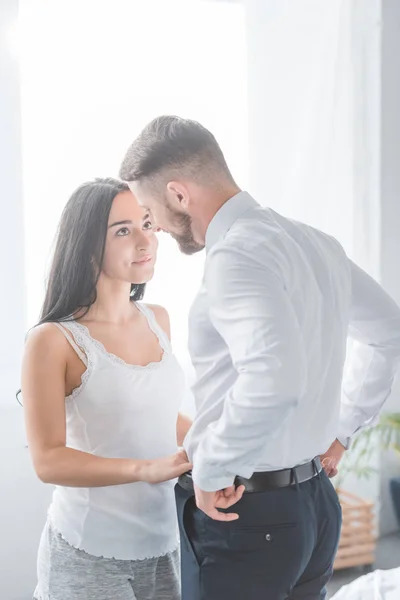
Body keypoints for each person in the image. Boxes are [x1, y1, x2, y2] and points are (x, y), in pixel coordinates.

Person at [119, 116, 400, 600]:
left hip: (245, 514)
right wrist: (343, 428)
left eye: (150, 211)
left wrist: (211, 470)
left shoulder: (236, 255)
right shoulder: (314, 242)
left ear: (179, 194)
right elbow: (389, 333)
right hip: (313, 506)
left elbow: (274, 378)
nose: (157, 229)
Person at [21, 177, 192, 600]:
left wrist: (228, 446)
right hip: (89, 554)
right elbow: (48, 461)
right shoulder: (53, 339)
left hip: (164, 544)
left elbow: (158, 414)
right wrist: (145, 469)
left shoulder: (159, 318)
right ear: (87, 246)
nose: (144, 241)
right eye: (123, 230)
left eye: (147, 225)